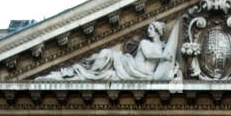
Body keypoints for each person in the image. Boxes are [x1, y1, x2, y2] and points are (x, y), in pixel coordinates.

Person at [44, 21, 180, 81]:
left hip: (141, 74)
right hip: (129, 66)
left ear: (157, 31)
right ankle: (80, 70)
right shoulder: (145, 43)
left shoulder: (162, 46)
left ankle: (83, 71)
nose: (147, 31)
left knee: (106, 56)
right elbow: (150, 56)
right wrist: (164, 57)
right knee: (106, 54)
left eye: (150, 29)